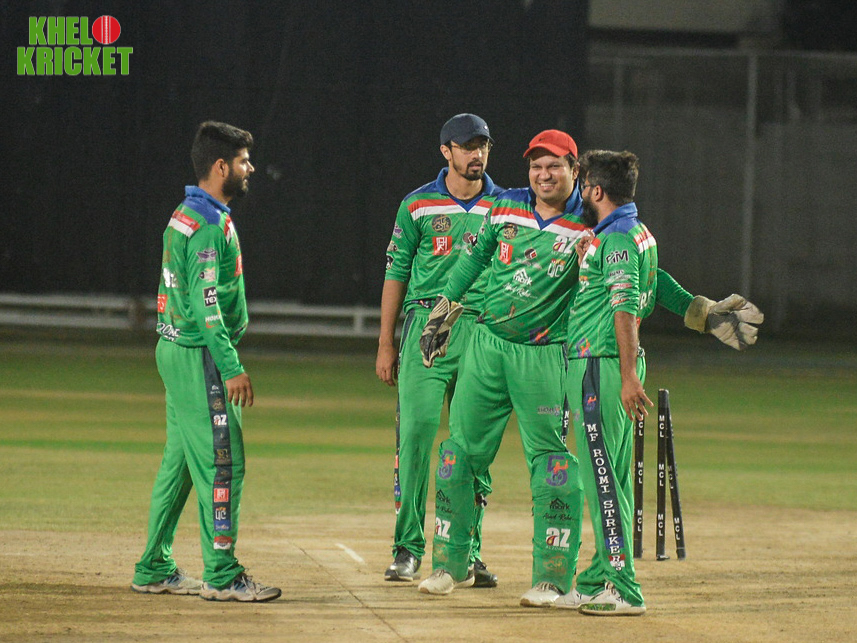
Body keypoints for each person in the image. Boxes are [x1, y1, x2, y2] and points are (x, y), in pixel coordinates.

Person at [417, 131, 763, 605]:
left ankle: (552, 578)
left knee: (554, 466)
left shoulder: (592, 221)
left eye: (554, 166)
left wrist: (696, 311)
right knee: (458, 456)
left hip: (546, 355)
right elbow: (474, 258)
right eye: (536, 166)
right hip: (486, 345)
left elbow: (643, 278)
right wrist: (444, 305)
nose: (543, 175)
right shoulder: (505, 205)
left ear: (576, 172)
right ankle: (451, 564)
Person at [131, 121, 281, 603]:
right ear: (221, 167)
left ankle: (154, 566)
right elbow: (207, 304)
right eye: (242, 161)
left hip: (174, 349)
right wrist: (231, 366)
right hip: (200, 357)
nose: (250, 168)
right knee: (224, 464)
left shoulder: (186, 213)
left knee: (178, 465)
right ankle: (222, 574)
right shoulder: (209, 226)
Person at [376, 114, 502, 586]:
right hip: (427, 325)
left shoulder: (506, 207)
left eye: (482, 146)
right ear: (446, 151)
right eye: (466, 147)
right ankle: (407, 548)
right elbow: (396, 272)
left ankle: (467, 552)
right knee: (416, 434)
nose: (477, 154)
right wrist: (385, 343)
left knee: (474, 444)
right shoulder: (416, 204)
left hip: (481, 328)